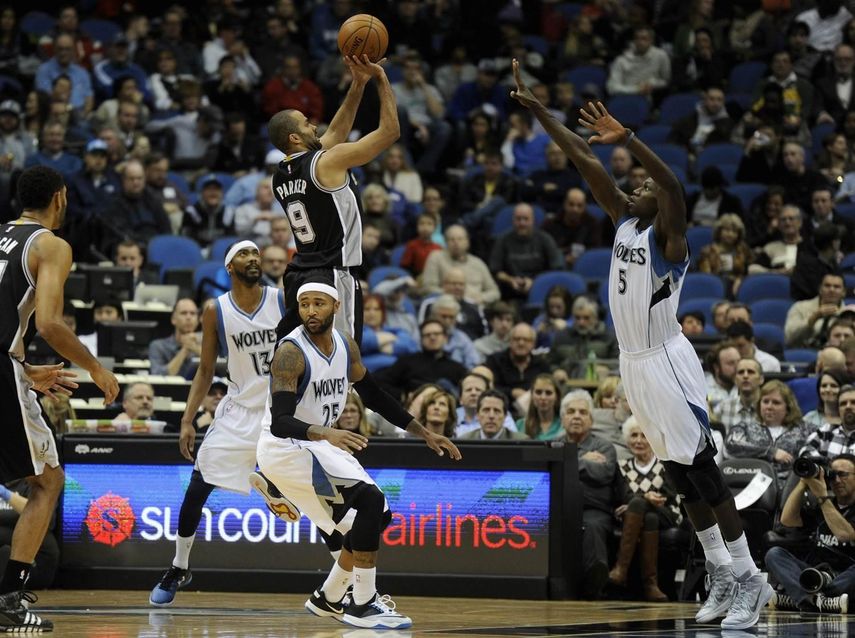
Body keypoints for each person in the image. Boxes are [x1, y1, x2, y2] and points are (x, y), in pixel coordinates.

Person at [510, 59, 771, 628]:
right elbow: (583, 159)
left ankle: (753, 579)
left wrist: (629, 139)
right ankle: (721, 572)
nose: (638, 185)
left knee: (701, 469)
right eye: (638, 182)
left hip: (667, 362)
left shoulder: (671, 239)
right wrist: (539, 112)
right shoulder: (626, 222)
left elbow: (673, 184)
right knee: (677, 473)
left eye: (644, 184)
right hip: (633, 362)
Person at [253, 276, 460, 628]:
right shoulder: (290, 352)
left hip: (319, 443)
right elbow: (281, 422)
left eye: (318, 303)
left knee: (377, 516)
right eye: (304, 305)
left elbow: (375, 395)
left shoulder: (345, 345)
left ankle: (330, 596)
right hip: (287, 446)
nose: (310, 311)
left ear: (336, 306)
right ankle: (362, 604)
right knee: (368, 502)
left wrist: (421, 431)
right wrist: (326, 432)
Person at [0, 166, 118, 631]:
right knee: (48, 481)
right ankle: (10, 599)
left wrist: (22, 367)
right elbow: (48, 323)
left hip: (9, 364)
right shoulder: (50, 245)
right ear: (61, 198)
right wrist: (94, 366)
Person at [148, 241, 285, 606]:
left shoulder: (281, 301)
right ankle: (179, 567)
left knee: (315, 495)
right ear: (229, 266)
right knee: (198, 487)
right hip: (239, 410)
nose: (254, 258)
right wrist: (187, 419)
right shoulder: (216, 310)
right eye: (244, 254)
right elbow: (206, 370)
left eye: (257, 253)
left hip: (280, 412)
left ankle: (348, 579)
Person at [269, 54, 399, 344]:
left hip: (299, 277)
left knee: (301, 357)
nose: (314, 126)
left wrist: (357, 84)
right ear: (294, 138)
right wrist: (380, 78)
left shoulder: (280, 175)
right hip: (333, 275)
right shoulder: (327, 162)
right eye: (305, 124)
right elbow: (390, 132)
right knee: (343, 364)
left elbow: (336, 133)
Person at [764, 453, 855, 614]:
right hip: (813, 574)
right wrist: (803, 482)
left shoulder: (824, 502)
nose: (837, 481)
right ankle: (819, 601)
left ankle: (799, 598)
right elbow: (787, 520)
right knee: (774, 554)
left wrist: (822, 497)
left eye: (843, 475)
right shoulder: (821, 506)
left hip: (844, 575)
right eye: (833, 475)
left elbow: (845, 534)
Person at [609, 417, 682, 602]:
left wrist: (643, 498)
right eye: (634, 435)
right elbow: (622, 497)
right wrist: (646, 497)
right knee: (649, 517)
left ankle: (621, 569)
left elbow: (669, 498)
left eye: (644, 435)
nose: (639, 440)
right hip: (644, 517)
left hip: (668, 513)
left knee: (638, 505)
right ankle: (650, 585)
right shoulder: (622, 467)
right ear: (627, 440)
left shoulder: (666, 464)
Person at [148, 298, 201, 380]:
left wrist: (198, 350)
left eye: (193, 313)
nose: (189, 317)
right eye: (183, 313)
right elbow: (158, 376)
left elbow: (218, 370)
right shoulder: (158, 346)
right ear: (173, 319)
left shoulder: (206, 345)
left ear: (198, 320)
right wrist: (185, 349)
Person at [460, 390, 528, 440]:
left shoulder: (521, 441)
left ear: (505, 416)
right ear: (477, 415)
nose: (491, 416)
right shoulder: (465, 440)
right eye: (486, 410)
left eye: (497, 411)